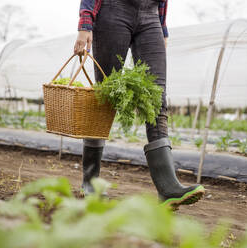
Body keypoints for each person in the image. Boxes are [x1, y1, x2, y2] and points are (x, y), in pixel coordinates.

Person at [74, 0, 205, 208]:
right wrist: (85, 23)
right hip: (113, 9)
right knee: (105, 98)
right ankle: (90, 184)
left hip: (151, 15)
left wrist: (162, 26)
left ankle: (168, 188)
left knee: (155, 99)